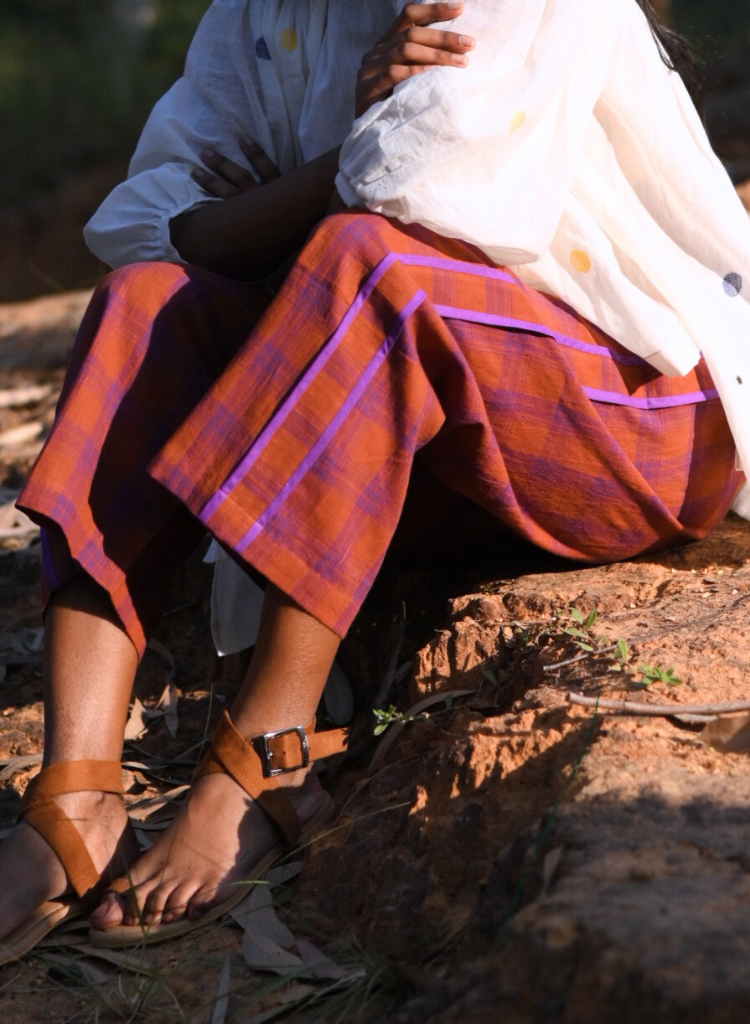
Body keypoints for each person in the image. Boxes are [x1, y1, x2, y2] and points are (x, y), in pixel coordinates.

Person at [1, 0, 748, 961]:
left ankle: (271, 754)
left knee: (366, 261)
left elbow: (415, 188)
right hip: (438, 443)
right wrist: (339, 160)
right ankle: (74, 795)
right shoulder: (265, 12)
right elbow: (152, 222)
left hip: (635, 414)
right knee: (144, 305)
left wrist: (273, 203)